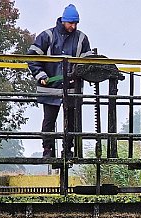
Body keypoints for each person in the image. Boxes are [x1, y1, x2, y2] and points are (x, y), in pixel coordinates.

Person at [27, 4, 93, 158]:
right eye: (71, 23)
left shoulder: (82, 38)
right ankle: (47, 150)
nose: (73, 26)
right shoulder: (47, 36)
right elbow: (32, 58)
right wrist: (41, 75)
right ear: (63, 21)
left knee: (71, 122)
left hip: (71, 90)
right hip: (50, 88)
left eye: (76, 23)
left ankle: (68, 151)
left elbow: (88, 63)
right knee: (49, 121)